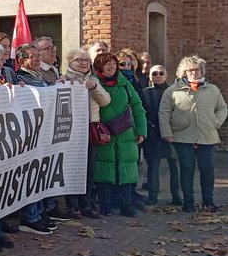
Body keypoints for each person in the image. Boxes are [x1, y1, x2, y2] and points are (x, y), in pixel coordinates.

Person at [159, 55, 228, 212]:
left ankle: (208, 201)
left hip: (207, 136)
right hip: (182, 136)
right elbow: (164, 112)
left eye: (197, 70)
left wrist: (216, 122)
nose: (194, 73)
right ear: (184, 72)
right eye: (190, 70)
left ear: (202, 71)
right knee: (187, 168)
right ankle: (188, 201)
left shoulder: (212, 89)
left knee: (207, 169)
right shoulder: (173, 90)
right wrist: (167, 133)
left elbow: (222, 108)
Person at [91, 51, 147, 216]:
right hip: (103, 133)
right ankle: (105, 205)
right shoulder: (93, 83)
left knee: (127, 169)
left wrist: (141, 130)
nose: (112, 66)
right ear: (99, 66)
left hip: (125, 134)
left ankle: (126, 205)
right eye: (107, 63)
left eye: (114, 63)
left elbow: (137, 107)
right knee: (104, 169)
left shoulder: (125, 84)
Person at [63, 48, 111, 219]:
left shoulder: (93, 80)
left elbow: (105, 101)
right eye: (79, 60)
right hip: (72, 131)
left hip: (90, 129)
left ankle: (87, 205)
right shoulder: (64, 80)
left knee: (89, 169)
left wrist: (95, 87)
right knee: (72, 169)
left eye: (86, 60)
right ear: (70, 62)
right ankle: (73, 206)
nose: (83, 63)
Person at [140, 64, 182, 206]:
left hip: (171, 133)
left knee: (174, 165)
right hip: (152, 135)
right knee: (153, 166)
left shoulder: (174, 91)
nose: (158, 76)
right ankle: (153, 195)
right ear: (150, 76)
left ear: (166, 75)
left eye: (161, 73)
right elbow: (142, 111)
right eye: (154, 74)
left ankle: (176, 195)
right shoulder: (145, 92)